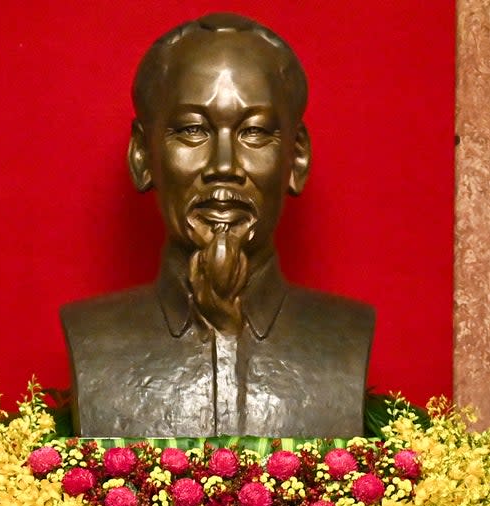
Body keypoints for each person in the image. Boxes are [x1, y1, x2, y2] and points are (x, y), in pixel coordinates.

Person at [61, 12, 374, 439]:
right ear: (141, 156)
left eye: (255, 132)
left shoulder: (346, 336)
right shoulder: (93, 337)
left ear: (297, 158)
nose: (223, 166)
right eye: (192, 131)